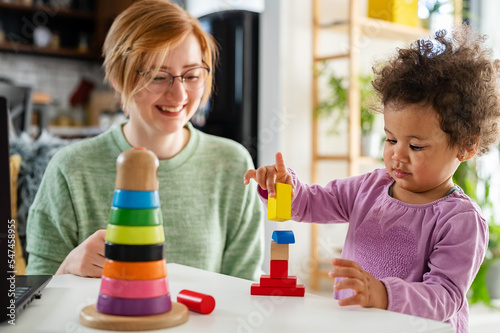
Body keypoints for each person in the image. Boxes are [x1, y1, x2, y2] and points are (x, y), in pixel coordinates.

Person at [244, 25, 500, 332]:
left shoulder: (460, 220)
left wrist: (383, 293)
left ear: (466, 145)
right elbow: (313, 202)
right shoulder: (369, 187)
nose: (397, 155)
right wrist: (285, 189)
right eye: (391, 140)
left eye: (416, 146)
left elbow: (445, 297)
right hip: (355, 324)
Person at [26, 0, 264, 281]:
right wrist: (66, 269)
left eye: (191, 75)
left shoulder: (233, 164)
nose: (179, 96)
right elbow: (33, 299)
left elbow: (243, 290)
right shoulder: (70, 168)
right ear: (117, 77)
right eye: (157, 76)